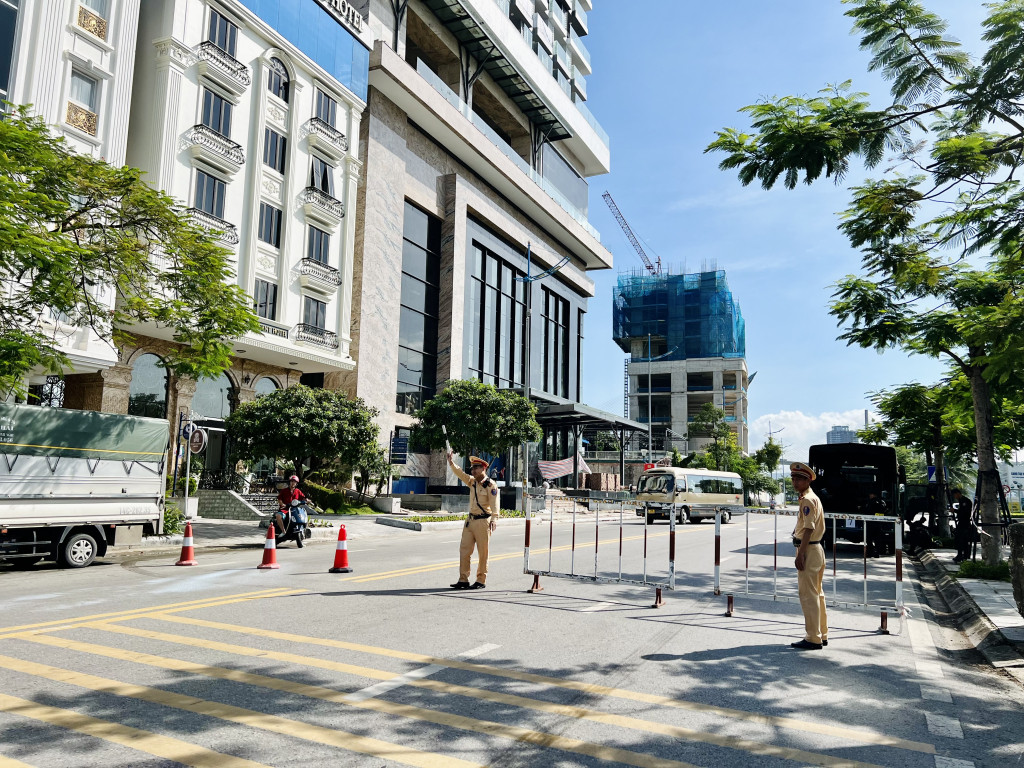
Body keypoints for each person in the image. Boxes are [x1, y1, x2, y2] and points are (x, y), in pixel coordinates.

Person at [790, 462, 828, 650]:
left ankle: (813, 637)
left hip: (809, 550)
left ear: (807, 481)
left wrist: (801, 554)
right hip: (816, 549)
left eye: (799, 479)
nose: (795, 482)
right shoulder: (812, 498)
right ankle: (822, 633)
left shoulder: (807, 500)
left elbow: (808, 529)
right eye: (793, 478)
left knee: (808, 595)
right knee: (818, 594)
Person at [448, 453, 499, 590]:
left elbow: (495, 505)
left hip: (483, 522)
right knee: (464, 551)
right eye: (472, 468)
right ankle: (463, 579)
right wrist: (451, 462)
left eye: (476, 468)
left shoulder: (490, 485)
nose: (473, 471)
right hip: (470, 521)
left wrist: (494, 519)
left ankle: (481, 580)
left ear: (483, 468)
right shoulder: (472, 481)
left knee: (483, 553)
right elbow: (460, 474)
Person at [276, 475, 306, 540]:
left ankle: (303, 530)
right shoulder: (284, 491)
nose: (293, 483)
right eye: (292, 481)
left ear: (296, 483)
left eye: (294, 482)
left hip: (294, 510)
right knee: (278, 516)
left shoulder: (298, 491)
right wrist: (282, 504)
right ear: (289, 482)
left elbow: (303, 498)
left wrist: (307, 501)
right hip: (285, 510)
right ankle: (283, 531)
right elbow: (279, 499)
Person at [952, 488, 974, 563]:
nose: (955, 497)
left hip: (964, 523)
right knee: (959, 539)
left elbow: (964, 513)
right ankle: (960, 555)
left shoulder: (965, 501)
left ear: (957, 493)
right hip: (961, 522)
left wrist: (955, 511)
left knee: (962, 539)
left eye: (955, 495)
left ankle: (963, 555)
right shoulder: (961, 501)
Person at [864, 490, 888, 558]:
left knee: (869, 539)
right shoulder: (882, 502)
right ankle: (877, 552)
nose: (869, 496)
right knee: (877, 539)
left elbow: (867, 511)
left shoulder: (870, 502)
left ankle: (870, 553)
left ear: (873, 495)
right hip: (878, 523)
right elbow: (884, 511)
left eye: (871, 494)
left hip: (870, 523)